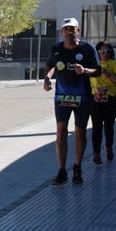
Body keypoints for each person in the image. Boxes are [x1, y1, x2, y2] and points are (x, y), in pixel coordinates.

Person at [43, 17, 100, 185]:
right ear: (62, 32)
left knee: (80, 133)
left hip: (82, 98)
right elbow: (51, 65)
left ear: (78, 31)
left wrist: (85, 70)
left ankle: (77, 167)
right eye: (66, 29)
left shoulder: (87, 48)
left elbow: (98, 71)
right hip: (62, 97)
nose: (69, 32)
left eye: (72, 29)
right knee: (60, 132)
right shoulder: (56, 49)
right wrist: (47, 78)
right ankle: (61, 171)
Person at [90, 41, 116, 163]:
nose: (105, 54)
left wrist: (108, 74)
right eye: (102, 51)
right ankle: (96, 154)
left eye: (107, 51)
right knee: (96, 127)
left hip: (111, 100)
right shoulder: (93, 64)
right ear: (97, 52)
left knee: (109, 126)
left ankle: (108, 146)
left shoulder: (114, 64)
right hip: (96, 100)